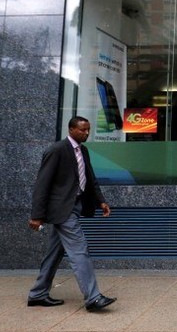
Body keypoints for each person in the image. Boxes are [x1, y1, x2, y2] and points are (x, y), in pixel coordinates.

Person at [27, 116, 117, 312]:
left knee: (54, 253)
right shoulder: (56, 150)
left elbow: (90, 178)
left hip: (75, 206)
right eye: (82, 130)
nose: (86, 133)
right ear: (71, 130)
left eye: (88, 129)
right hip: (62, 209)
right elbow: (42, 184)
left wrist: (101, 200)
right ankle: (93, 298)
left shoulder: (83, 150)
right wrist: (37, 215)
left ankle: (38, 294)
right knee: (79, 251)